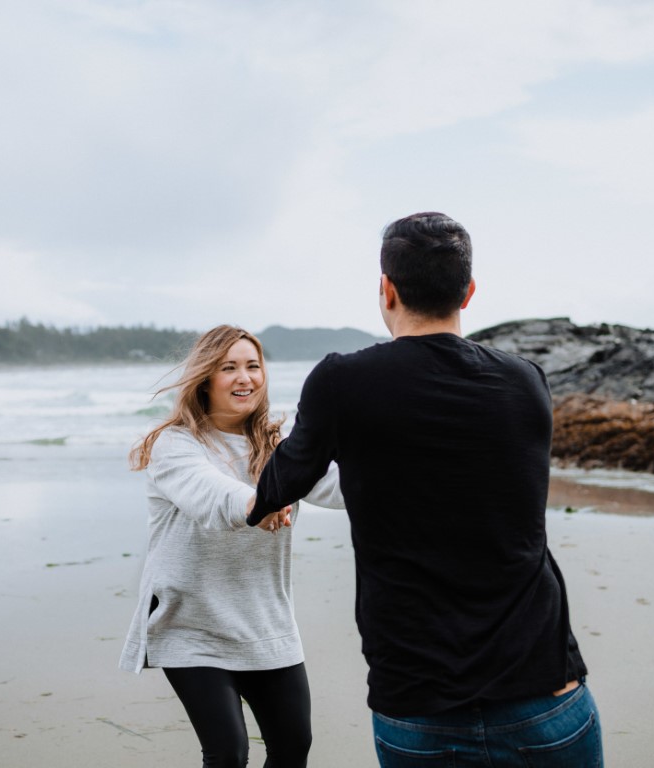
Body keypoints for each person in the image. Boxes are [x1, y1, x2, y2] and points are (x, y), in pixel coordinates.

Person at [248, 213, 603, 767]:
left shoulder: (342, 381)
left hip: (417, 699)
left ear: (386, 289)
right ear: (469, 290)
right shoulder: (526, 380)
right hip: (542, 691)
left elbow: (277, 486)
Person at [120, 325, 343, 768]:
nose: (245, 378)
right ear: (205, 378)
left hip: (265, 621)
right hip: (192, 624)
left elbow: (341, 487)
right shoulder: (176, 445)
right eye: (229, 368)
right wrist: (261, 502)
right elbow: (212, 494)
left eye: (253, 366)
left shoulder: (280, 447)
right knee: (228, 753)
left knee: (294, 747)